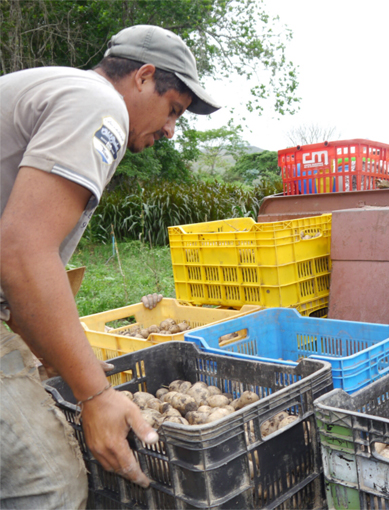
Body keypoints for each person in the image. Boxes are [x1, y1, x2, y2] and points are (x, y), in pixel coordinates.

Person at [0, 25, 220, 508]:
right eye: (174, 110)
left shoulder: (57, 89)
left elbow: (16, 281)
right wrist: (95, 396)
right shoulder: (96, 105)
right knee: (48, 486)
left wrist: (60, 360)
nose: (170, 130)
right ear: (143, 77)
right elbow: (21, 252)